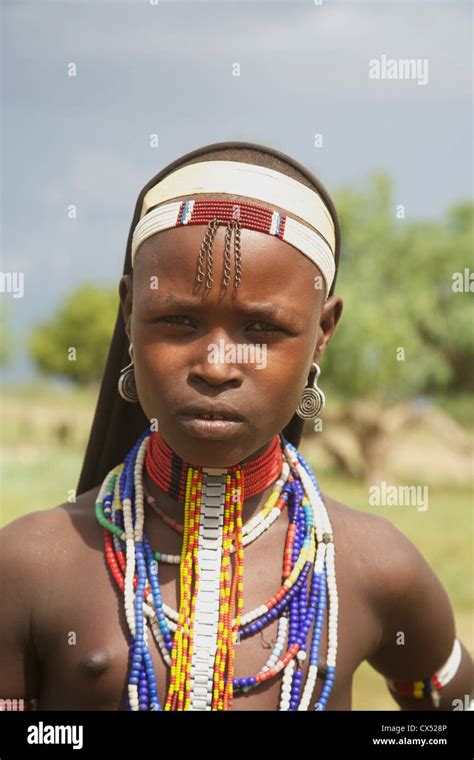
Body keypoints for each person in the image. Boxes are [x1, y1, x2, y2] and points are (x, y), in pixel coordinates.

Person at [0, 141, 472, 712]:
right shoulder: (31, 565)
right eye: (178, 320)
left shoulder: (377, 568)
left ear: (323, 331)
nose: (218, 366)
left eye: (260, 329)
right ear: (129, 314)